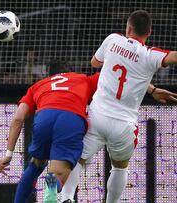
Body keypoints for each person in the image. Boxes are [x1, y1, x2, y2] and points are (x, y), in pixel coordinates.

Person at [60, 10, 177, 203]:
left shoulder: (113, 40)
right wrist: (151, 87)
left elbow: (95, 63)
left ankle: (66, 198)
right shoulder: (150, 56)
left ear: (128, 28)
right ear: (149, 33)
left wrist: (148, 85)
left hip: (96, 117)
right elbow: (172, 57)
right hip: (123, 126)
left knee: (78, 159)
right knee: (120, 167)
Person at [0, 61, 100, 203]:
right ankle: (52, 185)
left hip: (44, 117)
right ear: (71, 72)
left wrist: (8, 154)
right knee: (58, 173)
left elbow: (18, 118)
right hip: (71, 119)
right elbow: (110, 76)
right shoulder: (83, 79)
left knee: (36, 163)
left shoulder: (38, 85)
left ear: (49, 75)